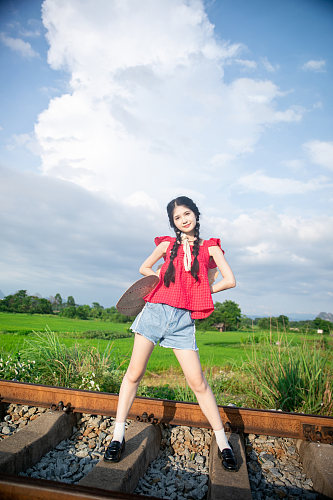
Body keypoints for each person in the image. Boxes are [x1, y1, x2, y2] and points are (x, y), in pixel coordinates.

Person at [104, 196, 237, 471]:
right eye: (177, 217)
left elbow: (229, 280)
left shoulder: (210, 248)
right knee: (134, 373)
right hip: (155, 312)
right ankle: (118, 435)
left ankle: (223, 442)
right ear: (173, 222)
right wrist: (154, 284)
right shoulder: (167, 244)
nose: (183, 220)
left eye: (187, 214)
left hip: (182, 320)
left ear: (196, 215)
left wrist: (202, 291)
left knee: (198, 382)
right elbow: (145, 268)